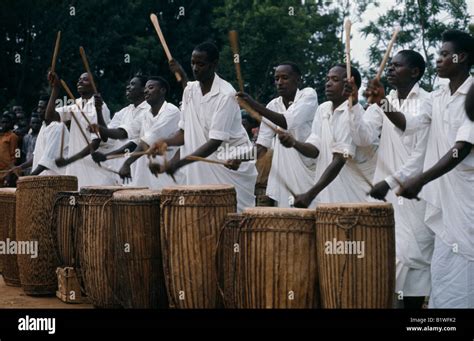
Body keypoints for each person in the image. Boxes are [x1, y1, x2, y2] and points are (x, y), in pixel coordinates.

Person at [367, 29, 474, 308]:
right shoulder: (438, 96)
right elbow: (409, 125)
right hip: (443, 203)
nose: (437, 59)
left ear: (460, 57)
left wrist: (420, 180)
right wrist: (382, 102)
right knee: (443, 276)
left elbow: (460, 149)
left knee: (466, 272)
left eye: (442, 54)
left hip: (467, 199)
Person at [349, 50, 434, 309]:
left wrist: (390, 181)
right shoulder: (381, 102)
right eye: (390, 65)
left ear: (415, 72)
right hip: (385, 196)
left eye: (397, 66)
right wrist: (353, 103)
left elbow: (420, 156)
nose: (390, 69)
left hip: (413, 196)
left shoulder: (427, 102)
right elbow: (363, 138)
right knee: (388, 259)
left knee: (415, 261)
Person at [150, 42, 257, 211]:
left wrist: (179, 164)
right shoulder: (189, 91)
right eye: (192, 63)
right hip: (200, 166)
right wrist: (165, 142)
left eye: (200, 64)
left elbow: (214, 142)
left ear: (214, 65)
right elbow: (184, 133)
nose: (195, 68)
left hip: (228, 165)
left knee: (232, 220)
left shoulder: (226, 94)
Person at [279, 65, 376, 208]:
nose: (328, 83)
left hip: (352, 197)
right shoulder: (323, 109)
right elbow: (315, 149)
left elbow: (340, 159)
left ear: (350, 86)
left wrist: (310, 194)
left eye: (335, 80)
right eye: (327, 79)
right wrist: (294, 143)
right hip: (328, 196)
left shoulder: (354, 115)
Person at [237, 62, 318, 207]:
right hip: (286, 177)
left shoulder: (309, 95)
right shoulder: (273, 105)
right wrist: (239, 159)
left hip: (309, 172)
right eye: (276, 79)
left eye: (285, 78)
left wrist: (253, 104)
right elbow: (262, 148)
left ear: (298, 79)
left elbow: (286, 121)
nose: (279, 82)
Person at [46, 71, 114, 187]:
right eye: (79, 79)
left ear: (94, 85)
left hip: (94, 172)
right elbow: (49, 117)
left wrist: (70, 160)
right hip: (77, 169)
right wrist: (55, 89)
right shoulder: (76, 104)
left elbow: (96, 143)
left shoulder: (99, 107)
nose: (80, 81)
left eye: (85, 79)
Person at [116, 76, 182, 188]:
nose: (146, 90)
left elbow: (147, 141)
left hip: (164, 178)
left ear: (162, 90)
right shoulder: (146, 114)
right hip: (144, 177)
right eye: (145, 88)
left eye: (150, 87)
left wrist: (127, 163)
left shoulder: (171, 111)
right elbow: (126, 132)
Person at [90, 76, 151, 181]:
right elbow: (105, 137)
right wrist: (99, 110)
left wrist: (106, 156)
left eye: (132, 84)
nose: (128, 87)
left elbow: (132, 142)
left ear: (143, 89)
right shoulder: (123, 112)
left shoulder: (150, 110)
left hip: (143, 172)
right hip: (122, 172)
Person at [0, 114, 19, 186]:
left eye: (6, 122)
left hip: (7, 171)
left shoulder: (13, 137)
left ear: (10, 123)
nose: (4, 124)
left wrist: (11, 171)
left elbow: (17, 153)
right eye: (3, 122)